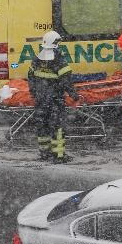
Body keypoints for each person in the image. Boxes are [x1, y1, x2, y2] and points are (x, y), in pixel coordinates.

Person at [27, 30, 81, 162]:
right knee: (58, 127)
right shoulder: (59, 60)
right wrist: (74, 95)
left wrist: (34, 92)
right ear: (56, 44)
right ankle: (58, 156)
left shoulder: (36, 59)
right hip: (55, 100)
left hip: (40, 100)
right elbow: (66, 81)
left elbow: (30, 78)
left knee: (42, 126)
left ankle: (44, 153)